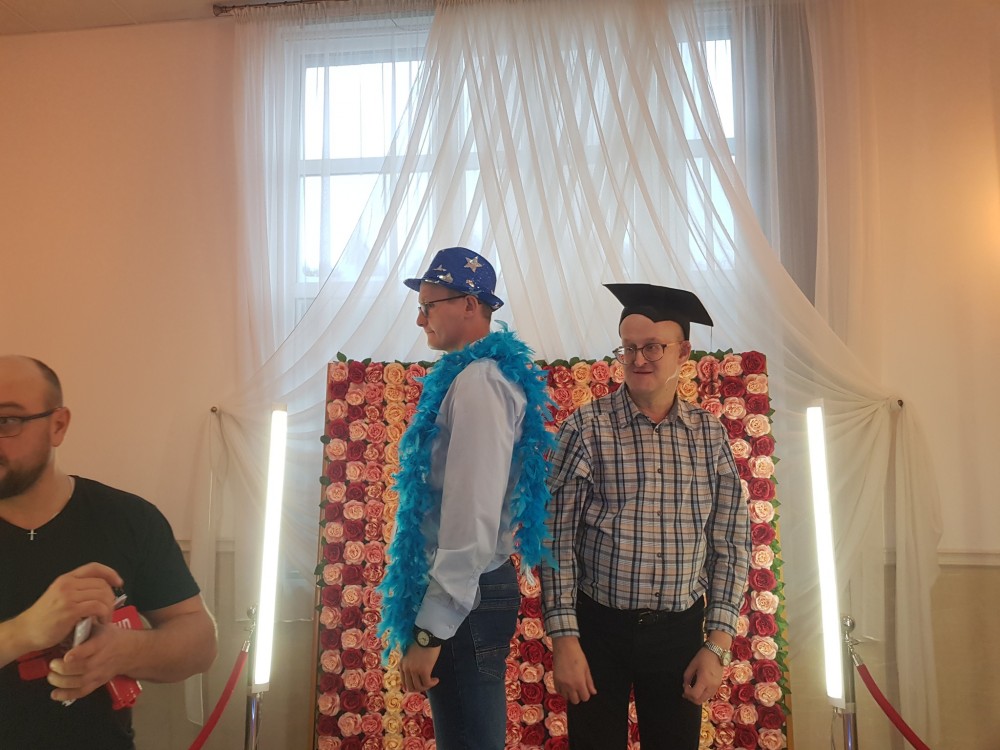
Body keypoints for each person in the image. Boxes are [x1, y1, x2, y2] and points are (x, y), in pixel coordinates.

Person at [541, 283, 751, 749]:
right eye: (629, 348)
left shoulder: (708, 435)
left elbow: (731, 542)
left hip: (680, 635)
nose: (639, 359)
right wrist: (565, 640)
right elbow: (555, 540)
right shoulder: (586, 428)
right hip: (598, 632)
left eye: (653, 347)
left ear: (683, 353)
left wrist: (716, 645)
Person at [377, 247, 554, 750]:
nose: (420, 319)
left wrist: (432, 630)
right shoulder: (471, 378)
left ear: (471, 305)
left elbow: (471, 514)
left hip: (465, 595)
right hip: (464, 591)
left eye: (429, 306)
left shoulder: (480, 383)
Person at [0, 355, 218, 750]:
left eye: (7, 421)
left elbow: (200, 642)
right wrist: (23, 633)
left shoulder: (128, 519)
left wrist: (124, 651)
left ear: (58, 425)